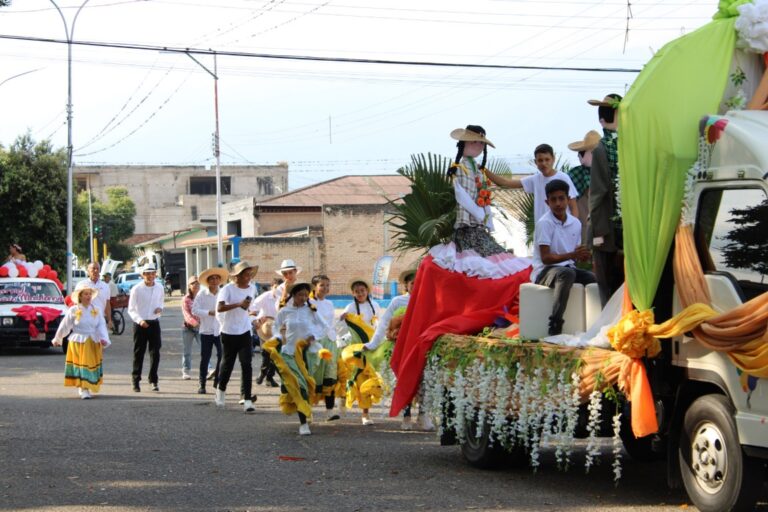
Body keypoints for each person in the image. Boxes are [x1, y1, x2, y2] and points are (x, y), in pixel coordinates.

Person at [362, 268, 432, 430]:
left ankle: (423, 416)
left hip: (421, 349)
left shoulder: (428, 300)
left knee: (424, 382)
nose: (416, 285)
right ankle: (406, 416)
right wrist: (372, 344)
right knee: (403, 381)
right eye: (413, 283)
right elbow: (384, 323)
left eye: (419, 282)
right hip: (401, 349)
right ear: (406, 285)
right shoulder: (398, 301)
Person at [531, 179, 596, 335]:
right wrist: (573, 255)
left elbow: (574, 258)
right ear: (547, 202)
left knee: (592, 277)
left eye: (561, 198)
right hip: (544, 272)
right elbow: (546, 258)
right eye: (553, 199)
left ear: (568, 199)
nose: (558, 203)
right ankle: (555, 325)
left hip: (568, 269)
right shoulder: (544, 223)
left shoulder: (576, 223)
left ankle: (595, 325)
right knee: (566, 273)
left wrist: (583, 256)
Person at [263, 282, 328, 436]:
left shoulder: (311, 310)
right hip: (290, 353)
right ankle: (303, 423)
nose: (303, 298)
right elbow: (276, 326)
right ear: (293, 295)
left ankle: (305, 410)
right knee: (300, 385)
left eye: (305, 295)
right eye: (300, 295)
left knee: (307, 384)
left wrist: (314, 336)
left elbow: (324, 326)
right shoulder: (285, 311)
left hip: (308, 353)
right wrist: (278, 337)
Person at [588, 93, 625, 306]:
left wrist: (596, 233)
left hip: (607, 232)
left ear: (602, 119)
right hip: (630, 229)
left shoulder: (601, 149)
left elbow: (597, 194)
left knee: (607, 287)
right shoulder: (630, 144)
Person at [484, 143, 579, 225]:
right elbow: (505, 183)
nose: (544, 163)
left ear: (553, 159)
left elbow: (574, 207)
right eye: (540, 160)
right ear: (535, 162)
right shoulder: (535, 179)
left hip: (561, 229)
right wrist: (484, 170)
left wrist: (572, 228)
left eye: (547, 159)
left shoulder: (563, 178)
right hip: (542, 230)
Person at [52, 287, 111, 399]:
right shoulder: (74, 310)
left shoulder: (96, 309)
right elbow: (65, 325)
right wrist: (58, 338)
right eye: (85, 294)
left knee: (90, 365)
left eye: (89, 294)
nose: (88, 296)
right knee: (82, 365)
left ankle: (86, 386)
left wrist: (104, 338)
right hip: (78, 341)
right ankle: (84, 388)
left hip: (92, 341)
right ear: (80, 296)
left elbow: (101, 325)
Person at [215, 261, 258, 413]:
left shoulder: (252, 288)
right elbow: (220, 308)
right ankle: (220, 391)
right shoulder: (227, 289)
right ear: (237, 276)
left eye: (250, 274)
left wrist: (252, 315)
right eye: (246, 275)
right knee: (227, 364)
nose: (249, 277)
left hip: (244, 331)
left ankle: (247, 399)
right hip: (228, 331)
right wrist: (238, 304)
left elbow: (248, 307)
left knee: (247, 364)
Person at [339, 278, 382, 425]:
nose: (360, 293)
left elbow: (379, 325)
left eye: (362, 291)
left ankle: (365, 413)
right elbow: (341, 325)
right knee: (357, 378)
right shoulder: (350, 307)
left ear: (367, 291)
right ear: (353, 293)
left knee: (369, 379)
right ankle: (349, 401)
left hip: (371, 347)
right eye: (356, 291)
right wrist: (343, 318)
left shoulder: (375, 305)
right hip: (356, 349)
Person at [308, 274, 341, 422]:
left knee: (330, 374)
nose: (325, 288)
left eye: (327, 285)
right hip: (315, 342)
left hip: (330, 341)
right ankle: (307, 411)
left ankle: (329, 411)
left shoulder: (329, 303)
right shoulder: (308, 303)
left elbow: (331, 323)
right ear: (314, 287)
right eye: (322, 285)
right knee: (314, 374)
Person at [128, 264, 165, 392]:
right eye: (147, 274)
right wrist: (140, 320)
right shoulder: (137, 289)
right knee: (139, 353)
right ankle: (136, 380)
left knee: (155, 353)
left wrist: (160, 309)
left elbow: (161, 302)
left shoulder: (159, 287)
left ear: (155, 274)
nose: (150, 276)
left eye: (152, 273)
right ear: (142, 275)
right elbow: (131, 309)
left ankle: (153, 380)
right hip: (140, 324)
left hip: (154, 322)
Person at [193, 267, 227, 395]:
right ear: (207, 281)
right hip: (206, 330)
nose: (214, 281)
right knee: (205, 358)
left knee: (222, 356)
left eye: (217, 278)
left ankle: (217, 380)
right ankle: (202, 383)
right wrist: (208, 312)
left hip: (220, 330)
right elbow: (194, 310)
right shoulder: (202, 294)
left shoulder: (223, 293)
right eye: (212, 278)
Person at [566, 130, 601, 244]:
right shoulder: (576, 173)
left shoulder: (606, 172)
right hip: (582, 221)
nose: (578, 156)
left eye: (581, 153)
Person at [249, 276, 282, 387]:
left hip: (278, 329)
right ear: (272, 287)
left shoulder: (284, 298)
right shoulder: (265, 297)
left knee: (276, 354)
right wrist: (256, 320)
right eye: (276, 287)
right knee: (266, 353)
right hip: (265, 328)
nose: (278, 290)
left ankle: (268, 377)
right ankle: (263, 374)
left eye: (280, 288)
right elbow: (252, 308)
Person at [75, 262, 113, 331]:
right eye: (93, 268)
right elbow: (76, 302)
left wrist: (109, 320)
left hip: (100, 320)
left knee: (102, 337)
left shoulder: (105, 286)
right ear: (88, 271)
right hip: (85, 319)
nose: (95, 271)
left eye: (97, 269)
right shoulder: (81, 285)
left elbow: (107, 304)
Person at [181, 275, 201, 381]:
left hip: (201, 327)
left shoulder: (202, 297)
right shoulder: (186, 299)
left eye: (197, 283)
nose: (196, 285)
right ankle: (186, 371)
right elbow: (186, 314)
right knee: (187, 351)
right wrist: (194, 323)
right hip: (188, 328)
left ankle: (209, 369)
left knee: (204, 349)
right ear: (189, 285)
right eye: (193, 283)